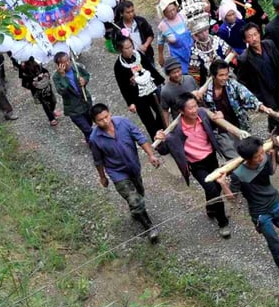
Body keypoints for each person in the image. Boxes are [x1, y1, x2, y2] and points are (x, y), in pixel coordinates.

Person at [218, 136, 279, 282]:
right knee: (274, 243)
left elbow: (271, 171)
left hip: (277, 203)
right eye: (257, 156)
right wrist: (223, 184)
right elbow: (232, 198)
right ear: (247, 158)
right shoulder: (239, 175)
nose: (261, 157)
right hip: (261, 215)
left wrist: (273, 153)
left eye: (262, 153)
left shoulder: (264, 159)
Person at [155, 93, 232, 238]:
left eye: (195, 106)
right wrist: (160, 140)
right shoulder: (175, 131)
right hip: (196, 165)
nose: (194, 110)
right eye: (190, 108)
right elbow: (164, 150)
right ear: (181, 111)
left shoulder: (202, 114)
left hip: (211, 158)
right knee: (214, 190)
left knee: (214, 188)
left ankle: (210, 208)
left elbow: (216, 125)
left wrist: (219, 116)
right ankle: (222, 223)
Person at [89, 103, 162, 241]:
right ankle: (149, 227)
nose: (105, 121)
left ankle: (136, 210)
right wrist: (102, 177)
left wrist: (151, 155)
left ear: (109, 113)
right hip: (117, 172)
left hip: (133, 166)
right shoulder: (94, 139)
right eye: (100, 120)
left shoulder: (123, 122)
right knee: (134, 199)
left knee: (139, 192)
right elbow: (98, 160)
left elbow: (140, 138)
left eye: (106, 117)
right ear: (95, 122)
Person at [237, 22, 279, 134]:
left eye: (255, 34)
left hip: (275, 84)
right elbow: (242, 81)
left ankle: (273, 129)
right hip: (262, 90)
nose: (254, 38)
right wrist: (254, 97)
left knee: (278, 106)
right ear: (245, 40)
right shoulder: (244, 59)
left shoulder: (269, 45)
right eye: (249, 36)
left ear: (260, 34)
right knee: (275, 112)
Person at [202, 60, 271, 158]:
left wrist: (260, 106)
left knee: (247, 152)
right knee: (233, 157)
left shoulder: (232, 84)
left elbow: (246, 95)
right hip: (221, 131)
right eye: (221, 75)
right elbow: (203, 110)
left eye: (226, 74)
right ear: (213, 76)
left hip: (239, 124)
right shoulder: (205, 93)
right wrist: (213, 115)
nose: (224, 78)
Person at [113, 37, 167, 137]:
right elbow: (122, 86)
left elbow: (150, 67)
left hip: (150, 88)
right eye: (127, 48)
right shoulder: (118, 66)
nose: (130, 49)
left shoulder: (138, 55)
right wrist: (130, 103)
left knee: (160, 109)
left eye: (131, 46)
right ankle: (156, 137)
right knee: (147, 118)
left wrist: (160, 80)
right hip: (137, 95)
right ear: (121, 50)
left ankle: (163, 129)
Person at [52, 51, 94, 141]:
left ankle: (89, 139)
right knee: (87, 129)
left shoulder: (76, 67)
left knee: (89, 123)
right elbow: (62, 91)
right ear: (58, 65)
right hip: (74, 109)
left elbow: (86, 75)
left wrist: (84, 80)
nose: (68, 63)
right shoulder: (56, 77)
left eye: (68, 60)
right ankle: (95, 144)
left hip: (85, 102)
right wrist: (63, 77)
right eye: (64, 62)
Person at [155, 0, 193, 73]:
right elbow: (160, 42)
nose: (172, 13)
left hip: (193, 52)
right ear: (164, 12)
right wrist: (160, 56)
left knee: (197, 75)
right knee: (184, 77)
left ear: (176, 7)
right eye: (168, 11)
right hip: (178, 56)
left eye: (173, 9)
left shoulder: (183, 16)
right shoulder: (162, 26)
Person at [188, 21, 235, 86]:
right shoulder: (194, 50)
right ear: (195, 35)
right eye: (200, 32)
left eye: (205, 30)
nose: (204, 34)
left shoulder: (217, 40)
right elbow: (195, 75)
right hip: (210, 82)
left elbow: (231, 55)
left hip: (227, 75)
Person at [16, 56, 59, 126]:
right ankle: (51, 118)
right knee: (45, 104)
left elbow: (45, 70)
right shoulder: (23, 68)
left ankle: (52, 110)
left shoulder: (38, 61)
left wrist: (46, 74)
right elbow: (24, 83)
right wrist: (31, 84)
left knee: (53, 101)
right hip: (37, 90)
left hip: (46, 86)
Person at [159, 57, 197, 124]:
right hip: (181, 123)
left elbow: (198, 97)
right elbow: (165, 110)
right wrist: (167, 127)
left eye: (178, 71)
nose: (177, 75)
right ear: (168, 74)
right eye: (173, 73)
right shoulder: (165, 91)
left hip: (196, 116)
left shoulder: (190, 79)